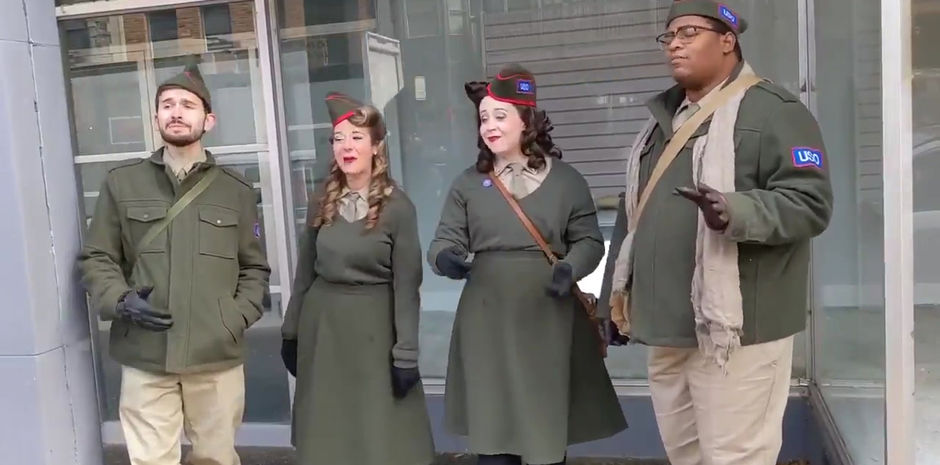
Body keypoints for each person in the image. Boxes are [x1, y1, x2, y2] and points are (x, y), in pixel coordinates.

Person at [601, 2, 833, 464]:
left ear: (728, 40)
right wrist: (615, 296)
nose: (675, 44)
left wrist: (735, 210)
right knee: (685, 455)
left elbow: (810, 204)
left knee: (735, 457)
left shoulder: (775, 112)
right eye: (669, 36)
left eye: (689, 32)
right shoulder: (661, 122)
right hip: (668, 329)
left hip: (738, 332)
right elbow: (634, 217)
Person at [427, 64, 627, 465]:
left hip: (547, 316)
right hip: (486, 318)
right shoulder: (468, 184)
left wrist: (570, 268)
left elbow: (589, 240)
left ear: (526, 120)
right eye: (484, 118)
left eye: (500, 116)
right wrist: (446, 259)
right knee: (492, 429)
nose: (489, 126)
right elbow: (444, 240)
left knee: (543, 427)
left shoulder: (567, 181)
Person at [79, 58, 271, 465]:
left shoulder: (236, 190)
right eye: (167, 105)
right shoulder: (122, 183)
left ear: (208, 120)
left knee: (216, 458)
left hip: (215, 355)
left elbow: (254, 268)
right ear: (156, 118)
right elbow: (98, 256)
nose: (176, 112)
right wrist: (120, 300)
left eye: (187, 105)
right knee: (151, 460)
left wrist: (232, 319)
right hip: (146, 355)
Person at [280, 92, 434, 465]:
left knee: (378, 434)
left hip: (375, 336)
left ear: (376, 146)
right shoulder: (322, 200)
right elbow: (304, 272)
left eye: (356, 137)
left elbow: (407, 287)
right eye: (339, 138)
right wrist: (290, 331)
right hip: (324, 332)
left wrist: (406, 353)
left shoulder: (398, 208)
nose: (346, 146)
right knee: (330, 435)